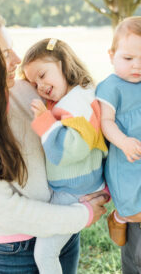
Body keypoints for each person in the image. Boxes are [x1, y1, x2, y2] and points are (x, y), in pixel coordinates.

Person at [0, 12, 109, 274]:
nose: (17, 61)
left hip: (63, 231)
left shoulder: (25, 91)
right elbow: (7, 210)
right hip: (14, 252)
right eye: (5, 54)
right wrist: (83, 214)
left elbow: (80, 116)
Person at [20, 38, 108, 274]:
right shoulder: (75, 96)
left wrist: (44, 122)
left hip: (73, 191)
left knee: (44, 253)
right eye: (32, 82)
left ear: (63, 63)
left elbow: (70, 150)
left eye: (42, 74)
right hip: (75, 187)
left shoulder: (78, 103)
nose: (39, 86)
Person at [96, 16, 141, 271]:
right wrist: (123, 142)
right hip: (125, 158)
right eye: (128, 59)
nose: (137, 66)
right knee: (133, 202)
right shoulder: (111, 86)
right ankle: (121, 216)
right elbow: (106, 122)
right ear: (112, 55)